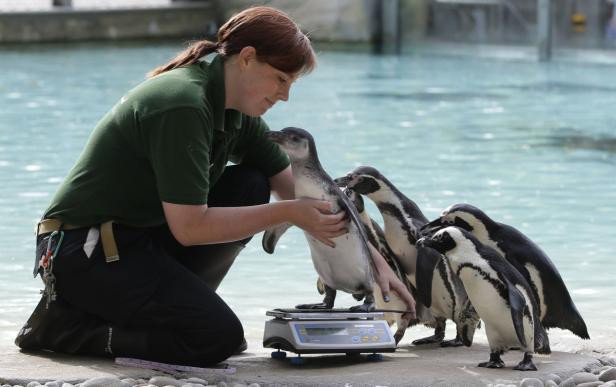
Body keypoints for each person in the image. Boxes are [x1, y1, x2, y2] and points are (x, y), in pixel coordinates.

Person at [15, 6, 416, 367]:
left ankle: (144, 308)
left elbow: (301, 192)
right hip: (84, 252)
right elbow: (190, 228)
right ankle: (64, 327)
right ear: (247, 59)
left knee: (249, 184)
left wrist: (376, 263)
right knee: (214, 338)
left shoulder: (234, 111)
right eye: (280, 79)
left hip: (137, 242)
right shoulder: (183, 105)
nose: (285, 96)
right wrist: (287, 214)